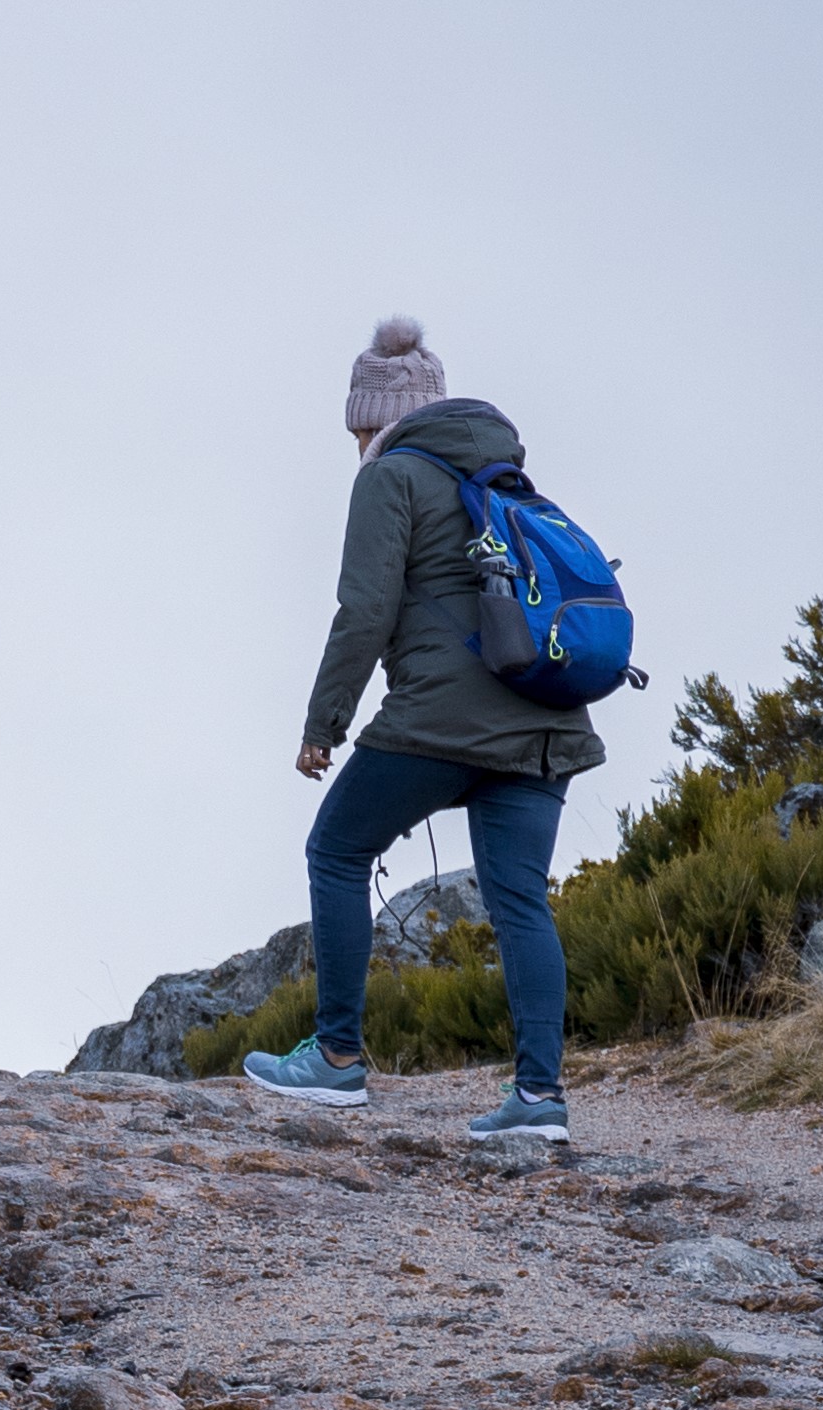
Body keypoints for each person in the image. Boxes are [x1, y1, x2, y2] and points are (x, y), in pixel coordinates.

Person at [244, 318, 600, 1151]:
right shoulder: (507, 477)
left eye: (358, 426)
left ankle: (335, 1056)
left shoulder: (390, 477)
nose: (355, 441)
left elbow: (364, 611)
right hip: (545, 715)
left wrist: (321, 726)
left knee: (335, 849)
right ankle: (539, 1095)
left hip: (440, 718)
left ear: (377, 419)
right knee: (520, 899)